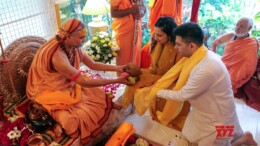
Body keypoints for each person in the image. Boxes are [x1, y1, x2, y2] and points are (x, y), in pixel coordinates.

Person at [26, 18, 132, 145]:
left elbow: (93, 64)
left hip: (65, 84)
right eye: (81, 38)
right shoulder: (58, 56)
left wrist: (118, 68)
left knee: (96, 92)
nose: (85, 40)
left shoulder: (71, 46)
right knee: (72, 120)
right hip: (47, 91)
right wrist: (116, 80)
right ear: (68, 36)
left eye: (85, 36)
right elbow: (82, 81)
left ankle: (107, 104)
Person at [155, 22, 257, 146]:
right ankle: (242, 138)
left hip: (218, 118)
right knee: (191, 136)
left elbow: (183, 95)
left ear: (191, 46)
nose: (176, 47)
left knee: (221, 141)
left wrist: (156, 91)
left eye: (178, 44)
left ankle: (244, 139)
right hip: (203, 111)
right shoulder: (200, 56)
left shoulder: (206, 68)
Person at [122, 17, 189, 130]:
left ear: (170, 35)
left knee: (143, 86)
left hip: (173, 80)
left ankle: (164, 116)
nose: (155, 37)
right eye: (155, 34)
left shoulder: (178, 49)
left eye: (160, 35)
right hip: (157, 74)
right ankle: (126, 106)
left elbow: (179, 75)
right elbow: (153, 68)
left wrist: (149, 78)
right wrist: (139, 72)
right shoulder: (156, 43)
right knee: (133, 77)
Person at [211, 17, 258, 95]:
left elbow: (251, 64)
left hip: (236, 76)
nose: (237, 28)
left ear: (249, 28)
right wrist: (214, 58)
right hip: (222, 66)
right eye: (237, 25)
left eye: (242, 26)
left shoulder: (252, 43)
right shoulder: (231, 36)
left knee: (223, 88)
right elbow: (214, 43)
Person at [110, 0, 146, 67]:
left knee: (136, 54)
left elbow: (143, 7)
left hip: (137, 29)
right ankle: (122, 76)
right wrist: (131, 10)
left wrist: (141, 12)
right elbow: (113, 13)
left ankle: (134, 74)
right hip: (123, 30)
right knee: (124, 56)